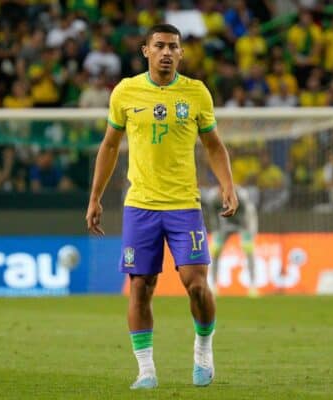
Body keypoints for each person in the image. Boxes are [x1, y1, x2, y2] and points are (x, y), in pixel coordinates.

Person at [85, 24, 238, 390]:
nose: (166, 52)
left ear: (181, 54)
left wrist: (227, 184)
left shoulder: (197, 93)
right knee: (141, 286)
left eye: (173, 46)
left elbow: (214, 145)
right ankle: (146, 370)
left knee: (196, 284)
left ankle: (203, 351)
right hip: (140, 206)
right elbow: (108, 146)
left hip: (185, 206)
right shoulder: (125, 91)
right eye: (159, 46)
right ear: (145, 51)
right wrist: (95, 197)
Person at [202, 186, 258, 297]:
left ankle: (253, 286)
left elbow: (248, 215)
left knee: (249, 250)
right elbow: (213, 217)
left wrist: (248, 235)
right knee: (215, 251)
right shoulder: (213, 199)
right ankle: (213, 285)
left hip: (243, 222)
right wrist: (216, 233)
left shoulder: (241, 197)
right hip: (224, 224)